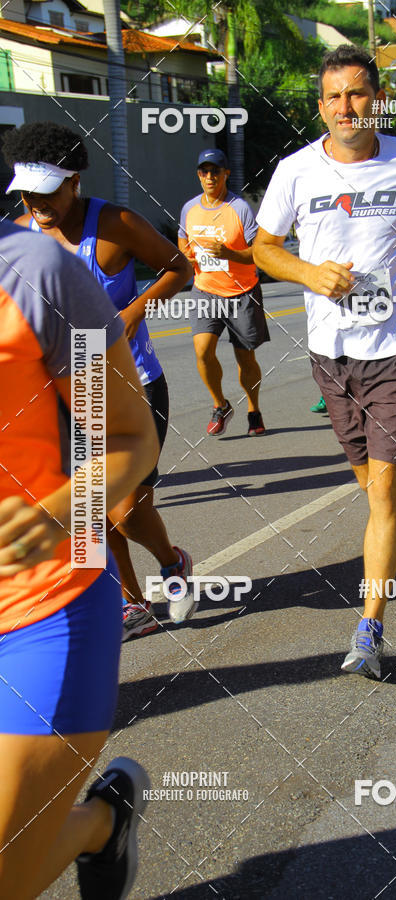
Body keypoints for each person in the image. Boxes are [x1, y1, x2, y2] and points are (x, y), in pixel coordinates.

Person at [253, 44, 396, 680]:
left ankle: (369, 630)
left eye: (356, 94)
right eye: (333, 97)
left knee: (378, 490)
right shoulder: (296, 172)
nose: (345, 107)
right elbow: (264, 248)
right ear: (320, 107)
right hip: (332, 351)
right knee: (374, 486)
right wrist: (308, 272)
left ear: (376, 99)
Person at [0, 220, 156, 898]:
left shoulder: (37, 272)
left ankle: (98, 819)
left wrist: (56, 514)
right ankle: (103, 824)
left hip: (43, 605)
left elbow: (126, 437)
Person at [2, 122, 195, 638]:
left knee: (129, 508)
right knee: (91, 512)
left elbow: (180, 268)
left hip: (131, 383)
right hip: (62, 395)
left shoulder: (116, 224)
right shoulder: (17, 239)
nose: (36, 202)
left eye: (47, 190)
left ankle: (173, 562)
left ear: (74, 182)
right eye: (26, 191)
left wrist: (135, 309)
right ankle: (130, 602)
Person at [178, 148, 269, 436]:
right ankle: (221, 404)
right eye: (204, 171)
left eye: (215, 171)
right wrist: (187, 258)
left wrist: (228, 253)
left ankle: (253, 409)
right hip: (205, 291)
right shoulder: (189, 209)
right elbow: (182, 243)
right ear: (198, 175)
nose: (209, 176)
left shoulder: (239, 208)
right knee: (202, 350)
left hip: (242, 292)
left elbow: (258, 253)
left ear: (226, 173)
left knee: (246, 359)